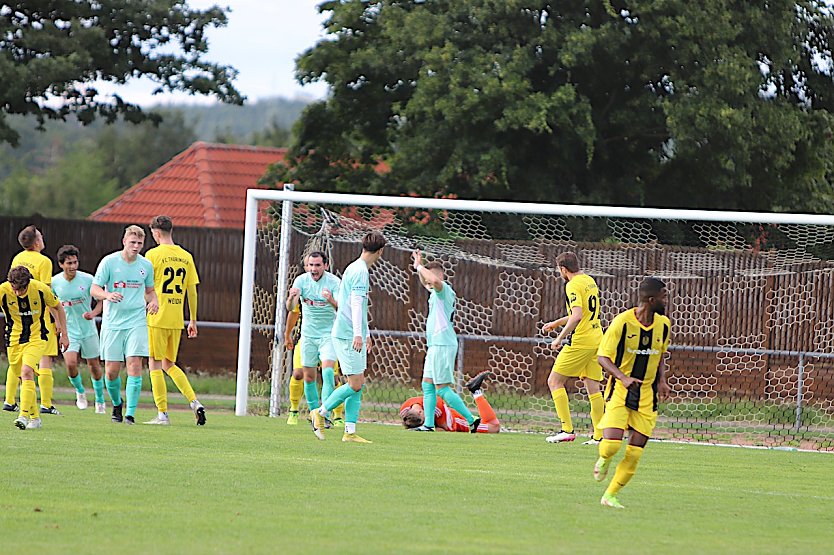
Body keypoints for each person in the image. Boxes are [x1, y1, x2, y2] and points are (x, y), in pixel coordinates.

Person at [593, 277, 672, 509]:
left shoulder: (663, 324)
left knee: (635, 453)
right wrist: (623, 377)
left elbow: (660, 356)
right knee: (611, 446)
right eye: (663, 296)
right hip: (620, 391)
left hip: (648, 397)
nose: (666, 300)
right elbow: (602, 357)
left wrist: (663, 381)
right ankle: (604, 458)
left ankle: (610, 495)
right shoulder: (622, 323)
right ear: (651, 299)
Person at [311, 231, 386, 443]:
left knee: (358, 382)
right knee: (354, 383)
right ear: (380, 251)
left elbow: (356, 305)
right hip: (346, 335)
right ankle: (321, 412)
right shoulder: (361, 271)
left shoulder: (354, 267)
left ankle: (350, 432)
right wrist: (358, 334)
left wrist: (366, 333)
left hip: (352, 333)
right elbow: (355, 304)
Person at [91, 225, 158, 425]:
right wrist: (107, 295)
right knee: (111, 371)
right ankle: (117, 404)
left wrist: (154, 301)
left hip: (136, 321)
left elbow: (149, 291)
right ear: (124, 242)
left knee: (135, 365)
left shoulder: (145, 265)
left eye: (139, 243)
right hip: (113, 322)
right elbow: (94, 288)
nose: (136, 247)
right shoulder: (109, 262)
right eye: (132, 242)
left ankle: (130, 414)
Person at [142, 215, 206, 426]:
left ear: (157, 233)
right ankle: (194, 402)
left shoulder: (152, 254)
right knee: (169, 363)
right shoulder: (186, 256)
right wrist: (193, 320)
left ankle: (162, 414)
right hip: (176, 318)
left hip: (157, 316)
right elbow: (192, 291)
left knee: (154, 363)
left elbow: (146, 287)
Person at [407, 250, 480, 433]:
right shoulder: (434, 294)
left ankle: (472, 420)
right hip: (434, 345)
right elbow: (427, 282)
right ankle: (429, 424)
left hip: (443, 344)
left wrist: (420, 267)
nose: (428, 282)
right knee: (427, 384)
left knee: (442, 389)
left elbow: (435, 281)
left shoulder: (443, 289)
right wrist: (418, 266)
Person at [542, 252, 604, 444]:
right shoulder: (589, 281)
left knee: (554, 381)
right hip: (597, 338)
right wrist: (556, 323)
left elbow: (577, 316)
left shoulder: (572, 285)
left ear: (563, 269)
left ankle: (566, 429)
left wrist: (558, 338)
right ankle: (600, 436)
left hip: (581, 341)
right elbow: (583, 314)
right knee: (593, 386)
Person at [1, 266, 68, 430]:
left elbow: (58, 307)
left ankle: (22, 415)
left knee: (26, 371)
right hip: (13, 339)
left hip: (37, 337)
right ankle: (35, 417)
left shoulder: (40, 289)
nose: (18, 293)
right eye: (15, 289)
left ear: (28, 283)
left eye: (21, 289)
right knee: (21, 375)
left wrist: (64, 334)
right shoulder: (3, 290)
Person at [4, 225, 61, 415]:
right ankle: (45, 403)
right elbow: (47, 294)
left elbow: (13, 285)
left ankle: (10, 400)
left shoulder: (17, 258)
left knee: (17, 361)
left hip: (18, 318)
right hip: (39, 318)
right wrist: (57, 323)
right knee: (45, 359)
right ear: (37, 242)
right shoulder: (44, 261)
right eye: (41, 237)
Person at [285, 252, 343, 427]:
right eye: (311, 265)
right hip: (308, 336)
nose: (313, 269)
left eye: (317, 265)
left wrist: (330, 299)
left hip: (329, 335)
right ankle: (313, 414)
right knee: (308, 377)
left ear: (325, 266)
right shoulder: (301, 281)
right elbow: (290, 307)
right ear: (306, 266)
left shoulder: (334, 282)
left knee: (328, 373)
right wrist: (291, 297)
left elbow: (342, 308)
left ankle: (325, 413)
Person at [51, 245, 106, 413]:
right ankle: (80, 392)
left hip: (87, 329)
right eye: (69, 263)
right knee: (71, 363)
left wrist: (94, 313)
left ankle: (100, 400)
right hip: (69, 331)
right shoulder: (55, 282)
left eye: (75, 262)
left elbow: (101, 299)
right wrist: (58, 323)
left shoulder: (88, 279)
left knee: (94, 365)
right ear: (61, 264)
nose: (73, 266)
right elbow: (51, 305)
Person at [400, 371, 499, 433]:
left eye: (424, 420)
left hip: (456, 420)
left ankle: (475, 391)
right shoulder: (405, 410)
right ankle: (476, 392)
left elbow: (445, 429)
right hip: (449, 413)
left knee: (494, 427)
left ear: (420, 412)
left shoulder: (436, 407)